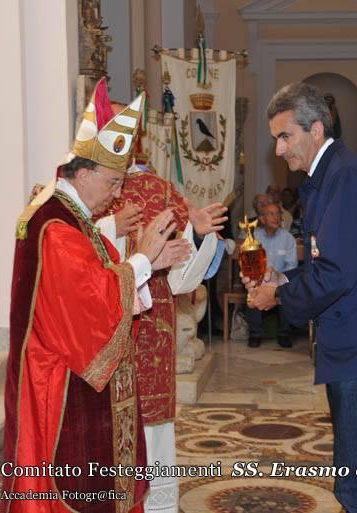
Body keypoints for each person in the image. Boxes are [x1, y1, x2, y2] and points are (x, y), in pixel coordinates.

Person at [3, 81, 190, 513]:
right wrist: (142, 258)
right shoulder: (56, 225)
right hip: (60, 381)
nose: (118, 193)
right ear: (83, 174)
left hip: (70, 373)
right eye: (113, 181)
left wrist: (151, 265)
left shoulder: (75, 217)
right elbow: (90, 303)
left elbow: (104, 279)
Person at [245, 82, 357, 513]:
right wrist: (283, 279)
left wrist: (277, 297)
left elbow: (337, 271)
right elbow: (336, 260)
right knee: (355, 464)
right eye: (275, 138)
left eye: (285, 136)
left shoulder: (344, 177)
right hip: (355, 341)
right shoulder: (329, 176)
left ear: (316, 128)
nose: (278, 150)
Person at [96, 119, 227, 513]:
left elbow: (183, 280)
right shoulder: (77, 188)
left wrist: (197, 234)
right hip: (99, 334)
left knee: (152, 431)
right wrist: (109, 227)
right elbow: (63, 247)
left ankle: (155, 506)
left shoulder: (159, 190)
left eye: (127, 129)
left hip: (152, 332)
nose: (121, 136)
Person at [246, 202, 297, 348]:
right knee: (254, 290)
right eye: (271, 214)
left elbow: (291, 266)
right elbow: (250, 263)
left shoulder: (288, 238)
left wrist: (274, 280)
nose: (276, 217)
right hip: (259, 279)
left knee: (287, 290)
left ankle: (284, 334)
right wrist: (263, 281)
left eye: (278, 214)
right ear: (262, 219)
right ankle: (255, 334)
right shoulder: (254, 237)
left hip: (281, 279)